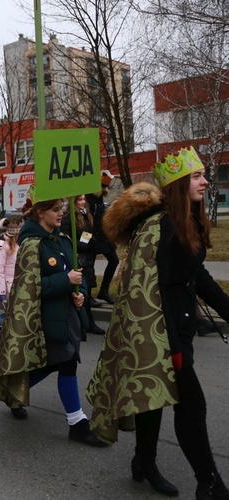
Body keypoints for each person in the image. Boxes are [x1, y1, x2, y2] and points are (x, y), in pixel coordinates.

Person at [86, 147, 229, 499]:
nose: (205, 180)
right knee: (191, 406)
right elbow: (152, 292)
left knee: (153, 399)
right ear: (180, 185)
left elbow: (197, 276)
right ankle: (208, 484)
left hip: (179, 329)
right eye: (197, 176)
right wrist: (175, 352)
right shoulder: (159, 228)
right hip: (162, 336)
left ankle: (143, 462)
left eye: (202, 175)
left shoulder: (186, 221)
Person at [0, 190, 106, 447]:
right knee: (66, 362)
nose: (61, 212)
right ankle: (77, 423)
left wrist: (80, 295)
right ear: (40, 213)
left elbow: (77, 275)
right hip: (45, 318)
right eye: (55, 209)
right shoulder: (31, 245)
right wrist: (65, 281)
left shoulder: (62, 240)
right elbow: (29, 288)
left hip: (67, 315)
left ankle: (14, 392)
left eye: (61, 207)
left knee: (54, 363)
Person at [61, 195, 106, 337]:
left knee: (87, 292)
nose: (83, 202)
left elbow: (88, 233)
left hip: (88, 258)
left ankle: (86, 323)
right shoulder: (68, 218)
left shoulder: (85, 215)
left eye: (83, 199)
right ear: (73, 202)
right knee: (81, 293)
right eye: (79, 200)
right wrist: (83, 243)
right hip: (79, 259)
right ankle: (85, 323)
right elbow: (68, 239)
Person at [0, 215, 23, 343]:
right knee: (10, 314)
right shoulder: (2, 245)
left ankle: (6, 334)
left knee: (14, 313)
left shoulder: (19, 243)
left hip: (18, 283)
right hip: (9, 286)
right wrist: (1, 292)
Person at [86, 170, 119, 304]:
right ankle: (88, 295)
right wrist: (86, 239)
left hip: (103, 234)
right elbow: (87, 220)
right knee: (90, 265)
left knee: (114, 260)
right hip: (92, 235)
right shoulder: (89, 197)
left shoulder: (99, 196)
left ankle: (103, 291)